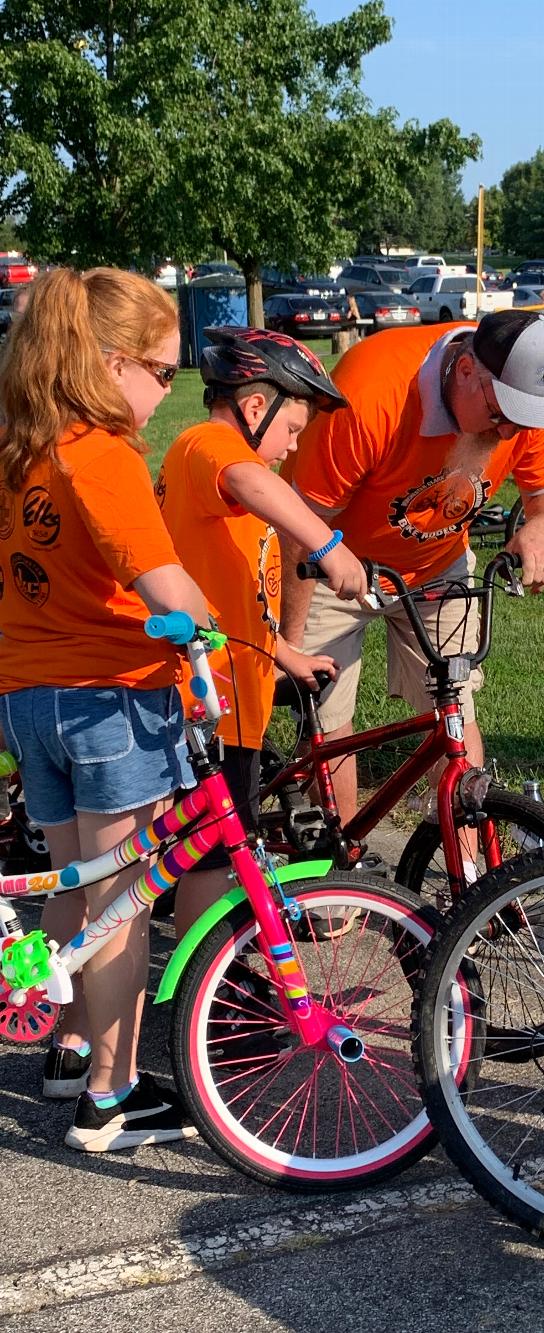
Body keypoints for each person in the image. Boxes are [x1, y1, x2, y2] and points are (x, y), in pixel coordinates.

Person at [0, 267, 210, 1151]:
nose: (165, 393)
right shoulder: (102, 453)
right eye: (161, 372)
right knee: (124, 904)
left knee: (71, 886)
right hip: (112, 700)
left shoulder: (21, 449)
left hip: (28, 697)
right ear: (111, 362)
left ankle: (68, 1042)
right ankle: (111, 1095)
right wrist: (209, 623)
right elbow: (166, 586)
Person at [279, 309, 544, 831]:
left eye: (524, 418)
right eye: (500, 413)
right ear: (465, 370)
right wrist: (291, 642)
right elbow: (298, 525)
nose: (510, 430)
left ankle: (472, 873)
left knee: (454, 713)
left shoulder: (526, 401)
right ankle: (339, 865)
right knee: (327, 718)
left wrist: (542, 529)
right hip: (330, 563)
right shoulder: (372, 391)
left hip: (438, 565)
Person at [155, 327, 366, 938]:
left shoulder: (222, 471)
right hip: (207, 705)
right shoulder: (207, 446)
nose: (292, 446)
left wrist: (285, 653)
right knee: (213, 855)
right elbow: (253, 481)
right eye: (292, 429)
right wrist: (328, 544)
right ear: (253, 408)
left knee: (227, 845)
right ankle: (202, 975)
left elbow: (230, 597)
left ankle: (210, 964)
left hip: (234, 702)